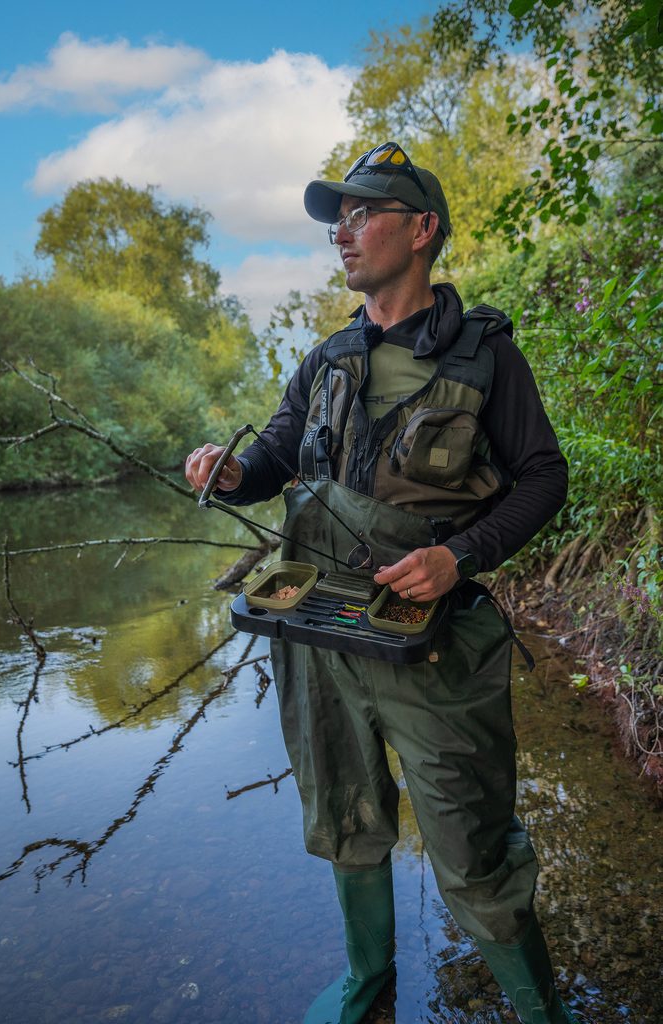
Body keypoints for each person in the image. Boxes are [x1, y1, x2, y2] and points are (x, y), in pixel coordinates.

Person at [185, 142, 580, 1024]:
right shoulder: (326, 358)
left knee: (473, 843)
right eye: (339, 219)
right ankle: (369, 980)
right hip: (317, 634)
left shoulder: (486, 356)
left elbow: (545, 478)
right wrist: (228, 472)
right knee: (344, 815)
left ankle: (541, 1010)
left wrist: (459, 556)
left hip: (435, 646)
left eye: (363, 214)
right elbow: (274, 458)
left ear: (423, 228)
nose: (343, 232)